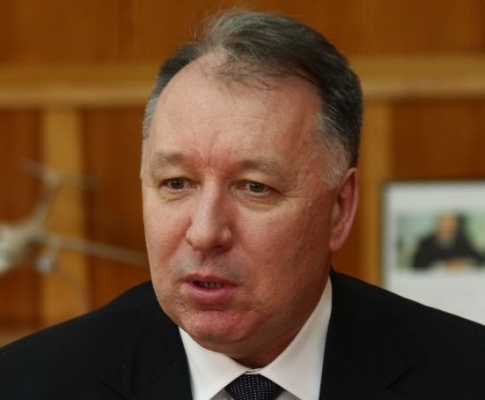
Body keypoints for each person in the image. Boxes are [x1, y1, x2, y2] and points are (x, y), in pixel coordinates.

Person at [1, 9, 485, 400]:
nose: (205, 232)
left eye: (255, 188)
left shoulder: (465, 375)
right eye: (176, 183)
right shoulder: (26, 384)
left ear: (339, 208)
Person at [412, 212, 485, 269]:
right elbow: (417, 265)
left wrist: (464, 262)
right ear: (438, 222)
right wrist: (443, 265)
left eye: (452, 220)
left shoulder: (462, 240)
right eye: (445, 220)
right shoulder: (426, 242)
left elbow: (478, 258)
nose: (448, 224)